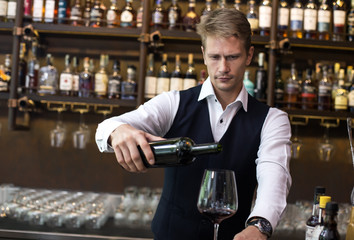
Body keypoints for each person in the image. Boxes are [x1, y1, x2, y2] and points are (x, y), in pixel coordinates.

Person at [96, 8, 292, 240]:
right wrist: (117, 131)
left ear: (249, 55)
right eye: (214, 57)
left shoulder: (273, 120)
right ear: (203, 54)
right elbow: (106, 127)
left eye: (232, 57)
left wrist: (260, 226)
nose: (223, 68)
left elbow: (275, 176)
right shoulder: (173, 103)